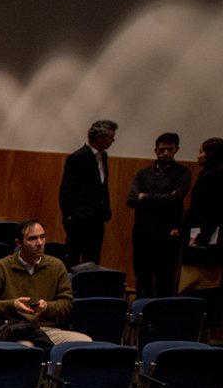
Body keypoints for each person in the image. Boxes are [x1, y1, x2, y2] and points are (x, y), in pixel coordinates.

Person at [0, 219, 90, 347]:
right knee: (26, 346)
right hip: (15, 329)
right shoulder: (1, 267)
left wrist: (47, 307)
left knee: (84, 341)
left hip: (46, 329)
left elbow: (67, 303)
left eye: (42, 237)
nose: (40, 243)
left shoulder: (56, 266)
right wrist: (13, 305)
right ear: (19, 243)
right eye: (32, 239)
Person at [127, 133, 192, 298]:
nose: (165, 153)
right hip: (143, 228)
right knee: (142, 273)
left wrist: (146, 196)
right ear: (155, 150)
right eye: (162, 150)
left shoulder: (183, 172)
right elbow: (132, 200)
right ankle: (141, 308)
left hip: (167, 229)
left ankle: (162, 308)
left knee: (164, 275)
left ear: (176, 150)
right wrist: (164, 197)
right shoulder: (143, 173)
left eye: (170, 149)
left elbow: (176, 199)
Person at [59, 119, 117, 267]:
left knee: (93, 258)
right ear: (99, 137)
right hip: (79, 217)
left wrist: (106, 209)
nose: (113, 140)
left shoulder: (103, 156)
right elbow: (66, 190)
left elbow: (103, 186)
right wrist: (68, 217)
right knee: (73, 258)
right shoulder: (78, 157)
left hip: (97, 217)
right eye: (111, 137)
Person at [175, 138, 223, 302]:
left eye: (201, 152)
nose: (198, 156)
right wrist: (181, 229)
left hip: (204, 237)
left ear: (211, 155)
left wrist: (202, 237)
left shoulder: (216, 177)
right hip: (198, 233)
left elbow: (214, 211)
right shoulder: (207, 175)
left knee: (199, 284)